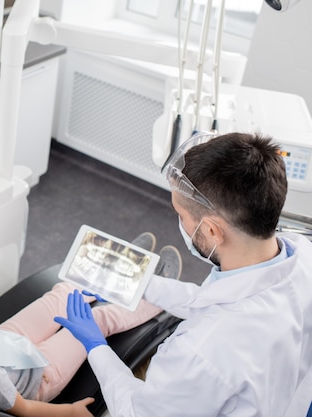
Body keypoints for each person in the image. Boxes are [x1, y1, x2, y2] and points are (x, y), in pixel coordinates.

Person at [55, 132, 312, 417]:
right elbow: (217, 301)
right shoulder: (302, 255)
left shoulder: (199, 350)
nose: (180, 223)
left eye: (181, 214)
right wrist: (144, 284)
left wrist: (96, 346)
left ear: (212, 230)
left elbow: (134, 412)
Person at [0, 239, 180, 417]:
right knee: (97, 321)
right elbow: (24, 408)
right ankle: (153, 295)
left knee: (59, 296)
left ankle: (116, 273)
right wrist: (70, 412)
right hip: (39, 377)